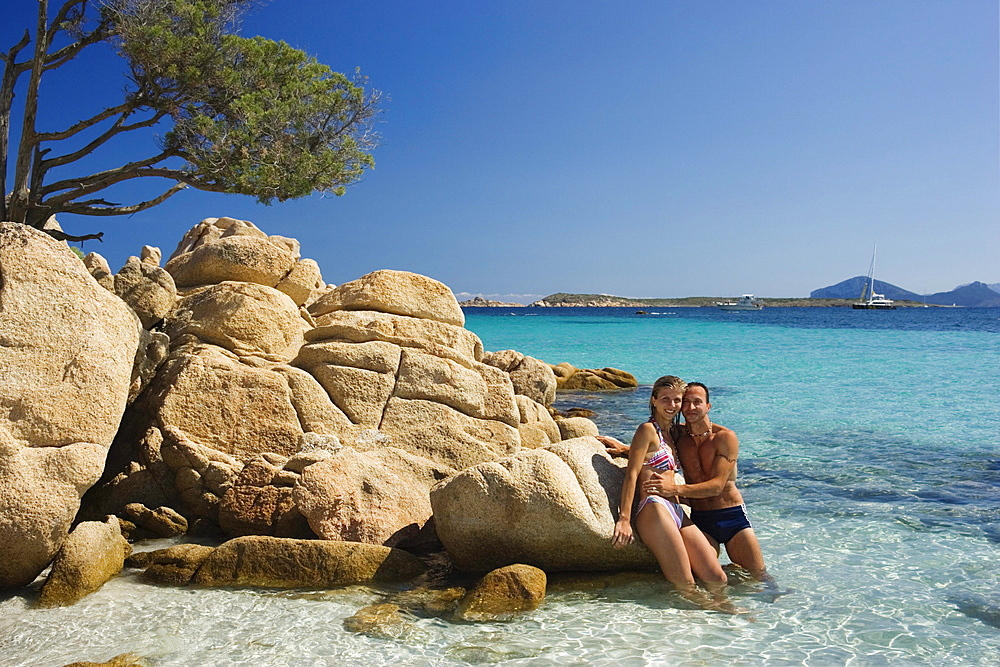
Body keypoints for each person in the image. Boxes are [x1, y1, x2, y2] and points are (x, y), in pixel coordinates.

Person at [601, 375, 729, 598]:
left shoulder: (674, 433)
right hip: (654, 508)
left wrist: (624, 448)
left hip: (676, 509)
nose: (672, 405)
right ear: (654, 400)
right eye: (666, 399)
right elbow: (632, 474)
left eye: (677, 400)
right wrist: (624, 519)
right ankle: (708, 624)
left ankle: (726, 619)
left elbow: (648, 452)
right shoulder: (646, 430)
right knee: (685, 583)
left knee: (717, 578)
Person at [642, 382, 770, 581]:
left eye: (697, 402)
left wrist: (673, 488)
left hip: (731, 517)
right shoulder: (678, 435)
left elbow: (717, 486)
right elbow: (656, 447)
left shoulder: (725, 438)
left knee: (760, 579)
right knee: (707, 577)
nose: (691, 408)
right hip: (700, 518)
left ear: (708, 406)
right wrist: (627, 449)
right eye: (686, 402)